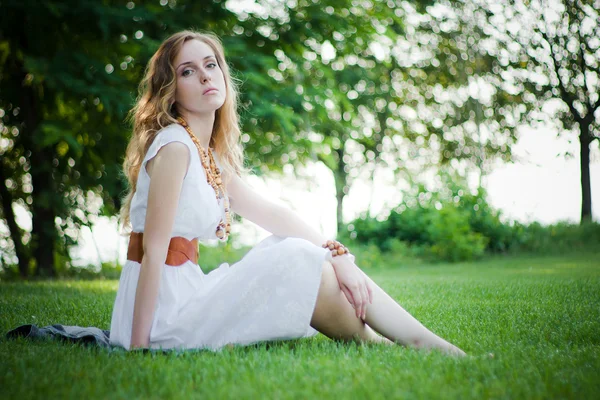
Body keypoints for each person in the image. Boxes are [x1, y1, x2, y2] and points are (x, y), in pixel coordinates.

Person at [110, 29, 466, 356]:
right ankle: (415, 343)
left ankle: (399, 342)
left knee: (296, 250)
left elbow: (273, 214)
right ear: (171, 90)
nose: (204, 75)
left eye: (210, 64)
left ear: (223, 74)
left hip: (187, 293)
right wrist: (139, 346)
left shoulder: (205, 154)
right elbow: (153, 252)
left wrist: (339, 256)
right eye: (187, 71)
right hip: (164, 315)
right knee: (296, 255)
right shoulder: (174, 147)